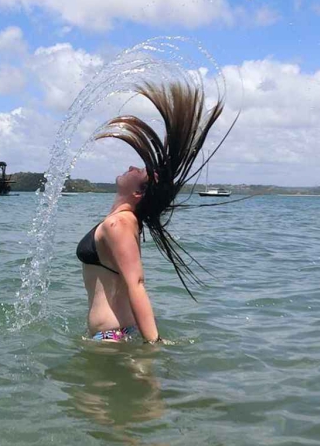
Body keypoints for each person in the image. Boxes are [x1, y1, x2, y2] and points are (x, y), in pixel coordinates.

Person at [76, 81, 227, 344]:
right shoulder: (122, 221)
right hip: (113, 336)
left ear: (138, 193)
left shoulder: (121, 223)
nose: (133, 166)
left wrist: (152, 346)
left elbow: (136, 284)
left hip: (112, 338)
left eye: (139, 172)